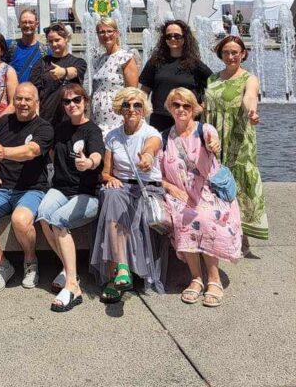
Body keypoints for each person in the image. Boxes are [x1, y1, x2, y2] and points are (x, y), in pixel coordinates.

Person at [160, 88, 242, 307]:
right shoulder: (163, 138)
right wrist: (170, 187)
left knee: (205, 217)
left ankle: (214, 278)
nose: (181, 109)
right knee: (182, 217)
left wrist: (215, 145)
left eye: (187, 105)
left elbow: (213, 140)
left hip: (208, 192)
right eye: (176, 105)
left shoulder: (203, 130)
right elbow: (156, 177)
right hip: (180, 195)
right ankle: (196, 277)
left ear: (195, 109)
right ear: (170, 108)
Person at [0, 83, 53, 292]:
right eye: (19, 99)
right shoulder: (4, 122)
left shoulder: (44, 127)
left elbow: (31, 151)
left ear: (36, 102)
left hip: (31, 189)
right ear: (13, 101)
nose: (23, 103)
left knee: (20, 220)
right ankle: (2, 265)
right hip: (1, 188)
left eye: (28, 99)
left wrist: (5, 153)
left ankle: (30, 261)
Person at [90, 87, 165, 303]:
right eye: (127, 105)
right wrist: (109, 178)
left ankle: (118, 277)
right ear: (120, 109)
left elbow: (152, 147)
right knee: (111, 196)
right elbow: (105, 172)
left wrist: (148, 157)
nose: (131, 109)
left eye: (137, 105)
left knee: (116, 202)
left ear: (144, 109)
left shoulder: (150, 133)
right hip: (121, 187)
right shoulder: (113, 136)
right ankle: (122, 269)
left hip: (146, 188)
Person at [36, 84, 104, 311]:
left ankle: (73, 286)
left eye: (77, 100)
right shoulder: (61, 129)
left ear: (86, 101)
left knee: (59, 221)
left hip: (87, 193)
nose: (72, 104)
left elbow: (96, 154)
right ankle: (67, 268)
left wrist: (89, 163)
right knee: (44, 214)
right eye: (67, 102)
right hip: (62, 189)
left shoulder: (92, 130)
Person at [203, 35, 268, 242]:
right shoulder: (213, 78)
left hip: (238, 135)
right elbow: (207, 105)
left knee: (240, 178)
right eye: (226, 52)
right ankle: (223, 228)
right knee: (216, 177)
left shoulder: (249, 78)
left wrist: (252, 111)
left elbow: (250, 96)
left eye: (234, 52)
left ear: (243, 54)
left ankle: (245, 232)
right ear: (221, 55)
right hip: (215, 134)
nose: (230, 56)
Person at [139, 20, 212, 133]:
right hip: (160, 119)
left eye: (177, 36)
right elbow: (144, 90)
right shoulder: (155, 62)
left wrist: (201, 107)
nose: (173, 39)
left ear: (185, 38)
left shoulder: (195, 64)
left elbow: (214, 86)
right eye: (169, 36)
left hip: (187, 118)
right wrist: (140, 110)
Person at [29, 23, 87, 125]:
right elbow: (33, 90)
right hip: (46, 118)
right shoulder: (41, 63)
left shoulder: (78, 62)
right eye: (50, 41)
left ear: (66, 39)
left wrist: (64, 72)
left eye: (57, 40)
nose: (54, 44)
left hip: (69, 120)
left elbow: (75, 71)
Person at [90, 16, 139, 135]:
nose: (106, 35)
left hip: (117, 117)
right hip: (98, 115)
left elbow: (132, 92)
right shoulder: (99, 59)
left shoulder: (125, 57)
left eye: (109, 31)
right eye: (101, 32)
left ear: (116, 33)